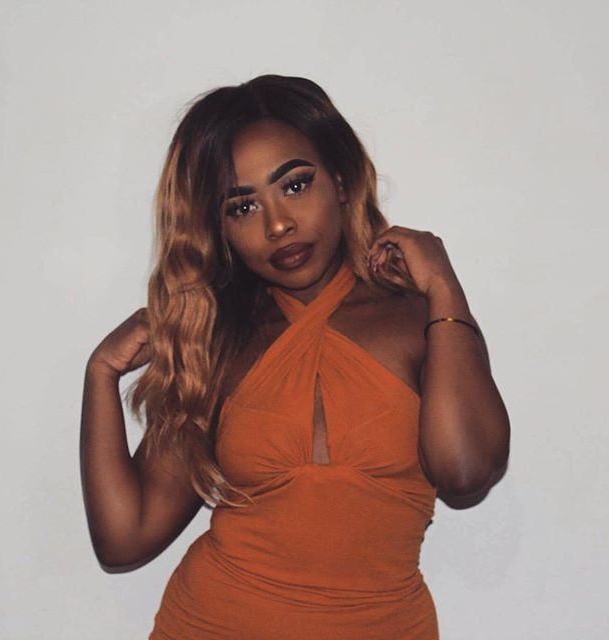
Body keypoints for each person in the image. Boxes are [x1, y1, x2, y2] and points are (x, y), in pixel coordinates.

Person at [80, 74, 510, 639]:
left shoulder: (419, 323)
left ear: (341, 179)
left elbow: (466, 472)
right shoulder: (220, 340)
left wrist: (445, 290)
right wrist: (101, 373)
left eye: (296, 185)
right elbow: (125, 537)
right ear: (219, 228)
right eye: (242, 207)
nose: (278, 224)